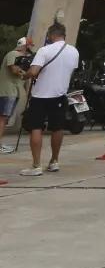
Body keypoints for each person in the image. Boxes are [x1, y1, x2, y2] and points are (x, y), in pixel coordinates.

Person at [18, 23, 80, 176]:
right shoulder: (74, 51)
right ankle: (54, 161)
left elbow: (33, 71)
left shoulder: (44, 50)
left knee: (36, 127)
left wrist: (24, 75)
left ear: (52, 35)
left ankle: (36, 165)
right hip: (60, 94)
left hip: (40, 95)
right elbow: (70, 71)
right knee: (57, 128)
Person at [1, 37, 31, 153]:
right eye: (29, 46)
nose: (29, 50)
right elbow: (13, 69)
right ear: (25, 46)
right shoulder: (14, 54)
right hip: (8, 92)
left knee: (4, 118)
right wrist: (26, 73)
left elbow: (25, 80)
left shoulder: (22, 59)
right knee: (3, 119)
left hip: (13, 92)